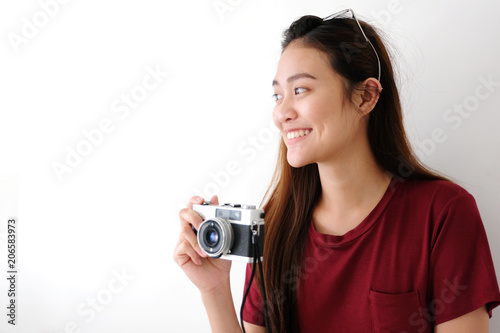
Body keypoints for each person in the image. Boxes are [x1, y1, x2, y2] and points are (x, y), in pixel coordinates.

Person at [174, 9, 500, 333]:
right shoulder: (272, 229)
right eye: (277, 95)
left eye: (300, 89)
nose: (281, 112)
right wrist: (214, 291)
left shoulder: (443, 214)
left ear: (366, 96)